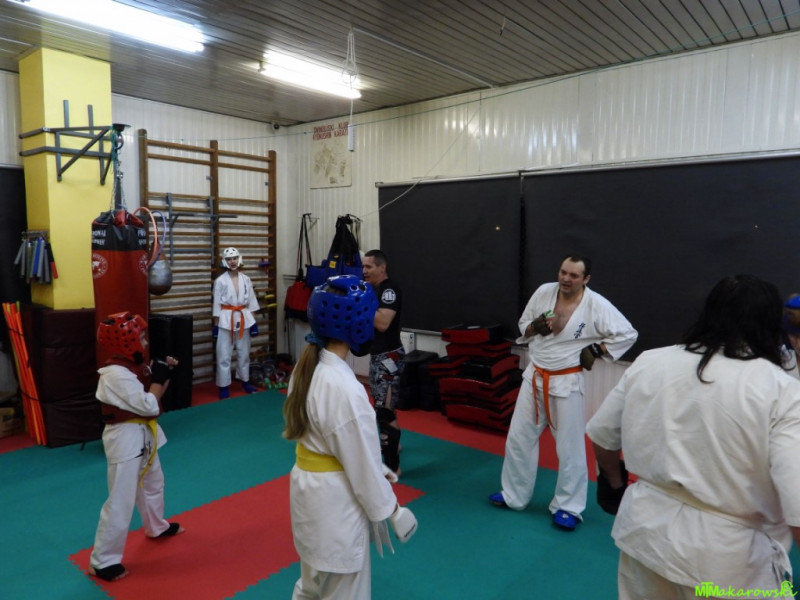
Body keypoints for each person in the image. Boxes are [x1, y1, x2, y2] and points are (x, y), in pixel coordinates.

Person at [586, 275, 800, 598]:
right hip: (728, 562)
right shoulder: (782, 391)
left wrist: (613, 485)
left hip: (644, 535)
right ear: (771, 325)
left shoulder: (650, 361)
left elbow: (603, 438)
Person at [283, 274, 418, 599]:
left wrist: (375, 466)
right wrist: (393, 511)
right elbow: (361, 469)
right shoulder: (346, 388)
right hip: (336, 507)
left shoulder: (306, 369)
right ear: (356, 325)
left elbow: (337, 445)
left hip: (309, 494)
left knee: (311, 586)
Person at [489, 254, 637, 531]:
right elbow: (523, 326)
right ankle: (513, 496)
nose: (566, 279)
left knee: (569, 448)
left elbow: (628, 334)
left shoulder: (596, 305)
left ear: (586, 279)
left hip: (566, 381)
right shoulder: (544, 292)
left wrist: (596, 350)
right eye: (563, 272)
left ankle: (568, 507)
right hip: (534, 376)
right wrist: (535, 327)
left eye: (573, 275)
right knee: (519, 439)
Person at [89, 312, 183, 582]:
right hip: (125, 438)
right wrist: (158, 380)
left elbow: (154, 395)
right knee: (121, 499)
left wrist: (165, 374)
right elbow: (150, 404)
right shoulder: (114, 375)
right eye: (141, 338)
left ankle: (156, 526)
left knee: (153, 482)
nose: (145, 342)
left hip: (144, 433)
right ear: (125, 342)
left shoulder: (134, 366)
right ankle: (103, 561)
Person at [362, 249, 405, 475]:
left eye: (368, 267)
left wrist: (362, 302)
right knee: (385, 405)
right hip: (379, 355)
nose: (364, 271)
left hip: (388, 357)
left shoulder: (389, 290)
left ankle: (393, 467)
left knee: (384, 412)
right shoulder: (375, 289)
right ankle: (394, 447)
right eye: (363, 266)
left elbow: (382, 323)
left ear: (382, 267)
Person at [212, 247, 261, 399]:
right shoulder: (220, 281)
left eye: (234, 258)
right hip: (225, 319)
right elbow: (217, 304)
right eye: (229, 259)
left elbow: (251, 302)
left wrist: (253, 323)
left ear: (239, 259)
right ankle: (224, 387)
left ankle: (245, 381)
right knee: (223, 355)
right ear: (224, 261)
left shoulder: (246, 279)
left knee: (244, 353)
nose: (232, 261)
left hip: (243, 317)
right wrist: (216, 326)